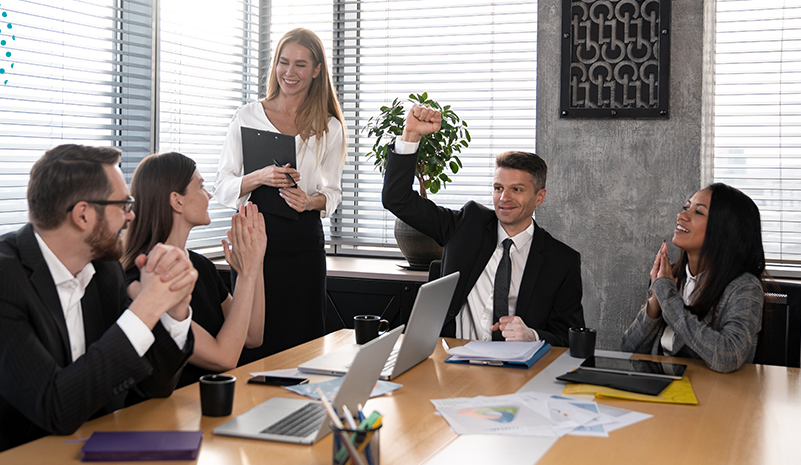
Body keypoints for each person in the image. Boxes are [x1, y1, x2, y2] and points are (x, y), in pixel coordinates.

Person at [0, 145, 198, 465]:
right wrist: (146, 307)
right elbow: (56, 407)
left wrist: (174, 310)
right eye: (124, 204)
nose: (131, 214)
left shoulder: (105, 272)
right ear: (83, 214)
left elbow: (153, 387)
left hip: (75, 453)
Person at [382, 104, 584, 346]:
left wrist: (533, 335)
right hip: (452, 361)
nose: (504, 198)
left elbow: (569, 339)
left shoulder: (561, 261)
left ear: (539, 197)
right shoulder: (467, 225)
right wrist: (411, 136)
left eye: (516, 190)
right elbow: (397, 199)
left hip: (518, 370)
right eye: (498, 188)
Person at [214, 28, 347, 360]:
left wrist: (309, 201)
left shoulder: (329, 127)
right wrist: (259, 176)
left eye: (301, 65)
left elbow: (332, 193)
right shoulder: (247, 116)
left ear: (317, 70)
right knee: (253, 339)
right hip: (255, 241)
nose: (290, 73)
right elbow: (222, 186)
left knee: (305, 343)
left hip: (303, 244)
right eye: (283, 63)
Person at [122, 152, 266, 387]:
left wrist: (255, 262)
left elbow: (252, 336)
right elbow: (224, 358)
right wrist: (247, 275)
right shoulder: (142, 280)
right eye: (200, 187)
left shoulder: (201, 266)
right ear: (177, 200)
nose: (209, 195)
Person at [622, 184, 766, 373]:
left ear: (724, 230)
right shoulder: (671, 275)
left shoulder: (744, 288)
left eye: (698, 212)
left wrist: (668, 297)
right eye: (686, 207)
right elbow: (629, 350)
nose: (681, 216)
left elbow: (729, 356)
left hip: (715, 397)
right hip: (663, 392)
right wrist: (655, 302)